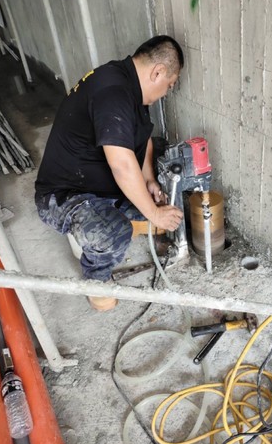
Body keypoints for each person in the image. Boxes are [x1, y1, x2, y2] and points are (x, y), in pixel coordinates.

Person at [35, 35, 184, 311]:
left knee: (162, 202)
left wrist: (149, 178)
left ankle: (120, 218)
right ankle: (96, 282)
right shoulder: (113, 91)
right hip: (65, 195)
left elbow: (144, 138)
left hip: (97, 184)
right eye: (169, 85)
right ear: (158, 72)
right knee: (114, 233)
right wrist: (153, 213)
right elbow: (121, 164)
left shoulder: (130, 86)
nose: (166, 92)